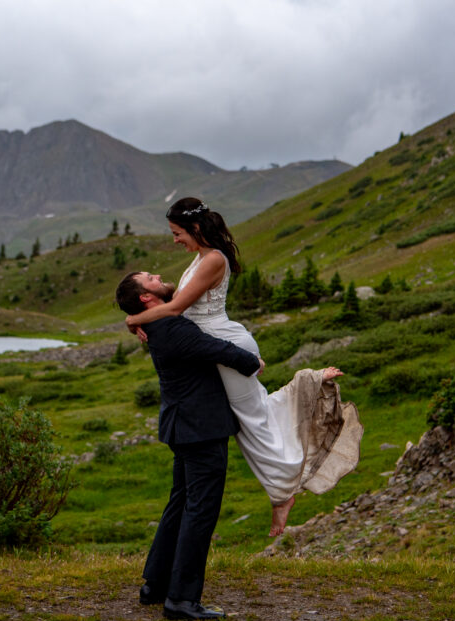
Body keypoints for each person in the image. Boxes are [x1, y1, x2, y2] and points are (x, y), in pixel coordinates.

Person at [125, 197, 362, 536]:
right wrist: (138, 320)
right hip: (217, 345)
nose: (174, 240)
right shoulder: (201, 257)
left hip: (225, 345)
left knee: (254, 419)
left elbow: (176, 307)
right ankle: (305, 397)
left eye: (177, 233)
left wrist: (133, 319)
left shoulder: (213, 259)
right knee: (251, 414)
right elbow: (173, 303)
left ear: (193, 228)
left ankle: (283, 492)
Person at [116, 270, 263, 620]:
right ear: (145, 298)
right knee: (200, 511)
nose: (159, 276)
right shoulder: (170, 327)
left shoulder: (158, 323)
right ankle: (181, 600)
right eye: (151, 279)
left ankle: (156, 584)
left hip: (185, 426)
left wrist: (131, 319)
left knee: (180, 505)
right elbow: (214, 349)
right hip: (200, 429)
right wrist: (251, 362)